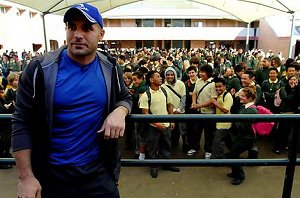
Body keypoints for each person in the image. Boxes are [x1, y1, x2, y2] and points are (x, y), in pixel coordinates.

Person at [12, 3, 132, 198]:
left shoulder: (109, 67)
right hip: (51, 175)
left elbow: (125, 97)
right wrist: (25, 177)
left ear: (101, 34)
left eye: (86, 28)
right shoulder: (40, 69)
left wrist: (120, 111)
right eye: (71, 26)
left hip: (98, 173)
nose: (77, 34)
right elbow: (22, 122)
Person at [139, 70, 180, 178]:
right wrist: (157, 124)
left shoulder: (165, 91)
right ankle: (154, 167)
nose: (161, 78)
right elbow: (145, 114)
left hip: (166, 125)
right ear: (151, 80)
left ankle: (167, 164)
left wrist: (171, 120)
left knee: (166, 145)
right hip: (153, 127)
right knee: (152, 147)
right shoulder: (145, 95)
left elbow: (169, 106)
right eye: (158, 76)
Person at [226, 86, 258, 185]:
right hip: (242, 136)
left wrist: (235, 120)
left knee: (233, 154)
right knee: (233, 152)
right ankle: (235, 172)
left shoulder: (252, 111)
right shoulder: (244, 107)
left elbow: (243, 125)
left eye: (243, 96)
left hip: (247, 138)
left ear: (250, 98)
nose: (240, 98)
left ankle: (239, 175)